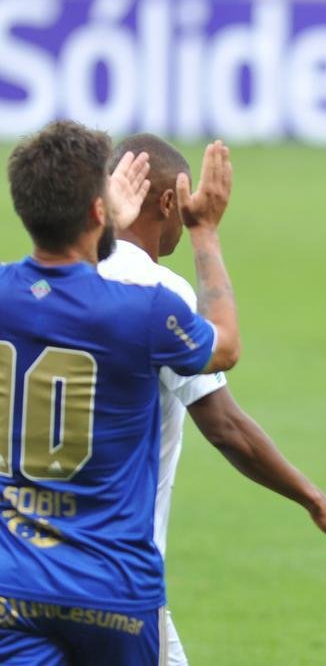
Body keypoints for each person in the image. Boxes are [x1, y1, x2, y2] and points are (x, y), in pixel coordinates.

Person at [97, 133, 326, 665]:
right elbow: (225, 426)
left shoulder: (55, 282)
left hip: (29, 565)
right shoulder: (155, 290)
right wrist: (315, 500)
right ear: (170, 203)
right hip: (119, 571)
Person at [0, 120, 240, 665]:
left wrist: (98, 227)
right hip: (112, 588)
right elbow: (223, 346)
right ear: (98, 210)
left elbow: (51, 288)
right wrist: (203, 230)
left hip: (12, 583)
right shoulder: (144, 308)